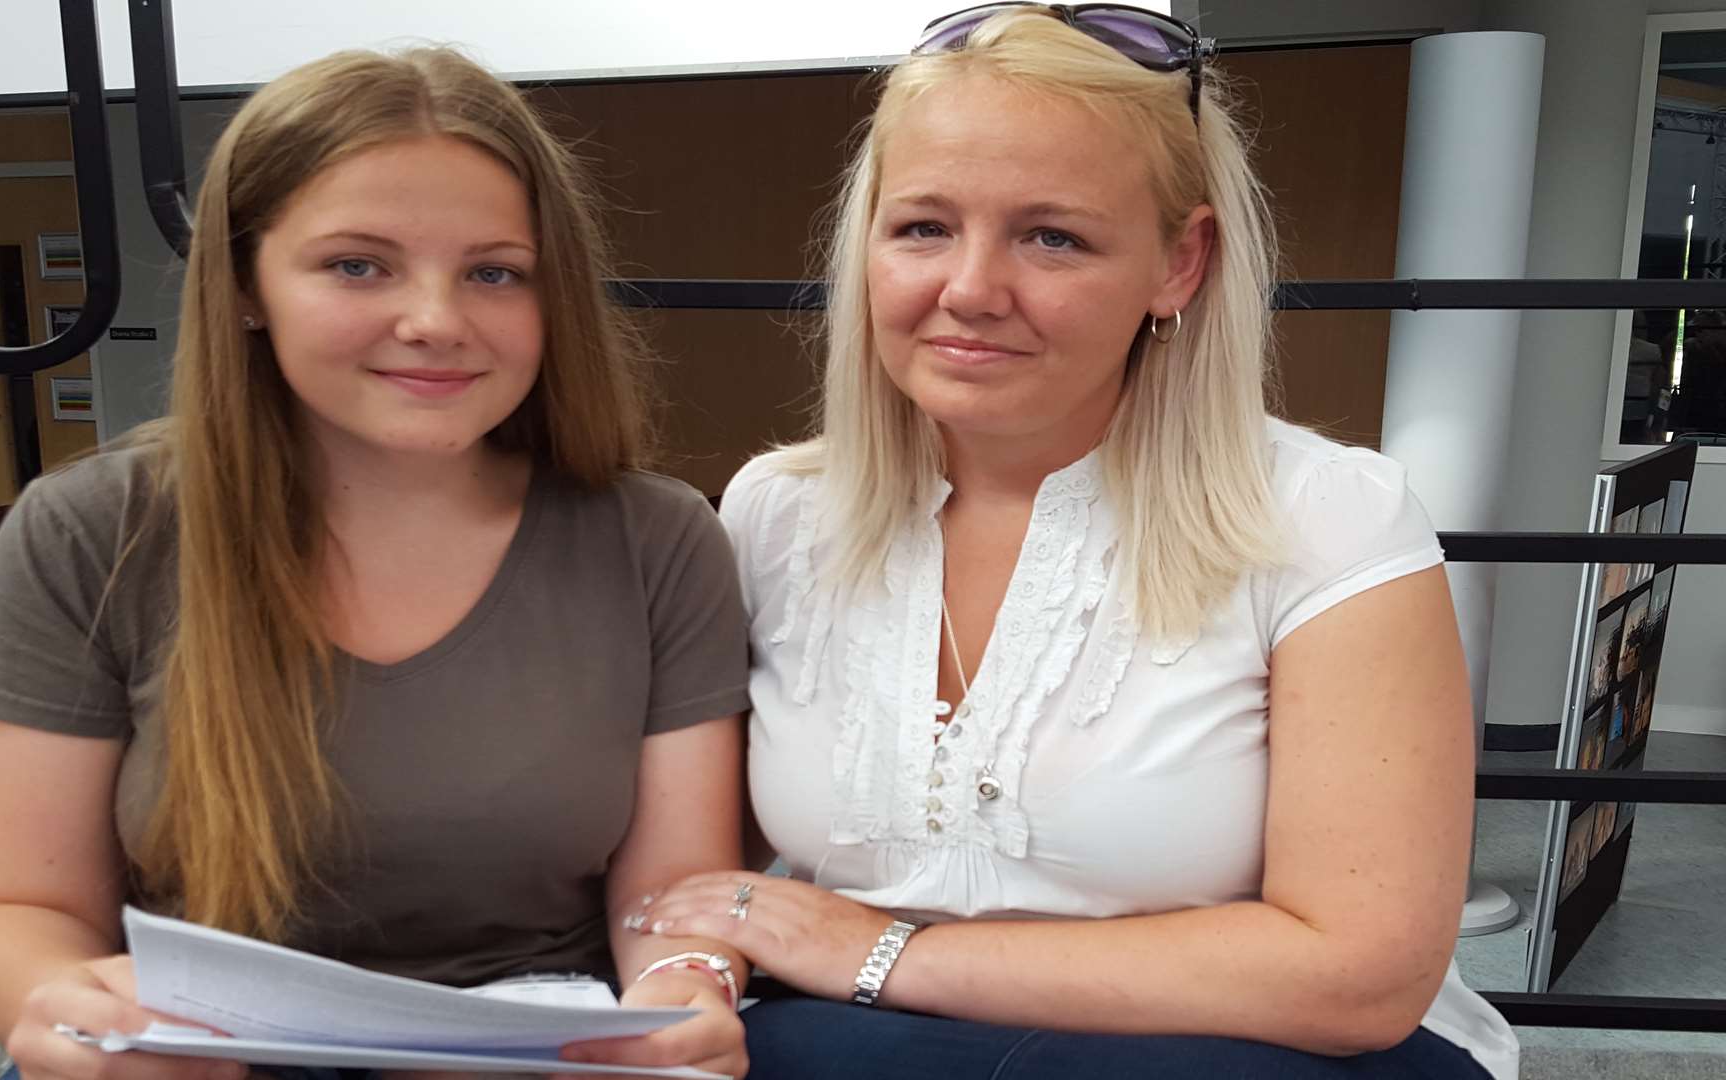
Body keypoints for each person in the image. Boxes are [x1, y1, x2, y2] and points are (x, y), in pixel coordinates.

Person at [633, 6, 1518, 1079]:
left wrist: (875, 950)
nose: (969, 290)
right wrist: (685, 984)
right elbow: (689, 887)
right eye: (922, 228)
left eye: (1052, 236)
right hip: (850, 1046)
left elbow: (1356, 975)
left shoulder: (1328, 518)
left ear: (1180, 264)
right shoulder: (775, 514)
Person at [0, 46, 751, 1080]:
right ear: (244, 284)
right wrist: (61, 1005)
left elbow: (673, 891)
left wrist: (682, 984)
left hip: (533, 1048)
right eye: (357, 264)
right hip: (194, 1055)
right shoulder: (91, 531)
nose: (436, 322)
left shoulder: (657, 537)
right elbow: (16, 910)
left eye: (494, 272)